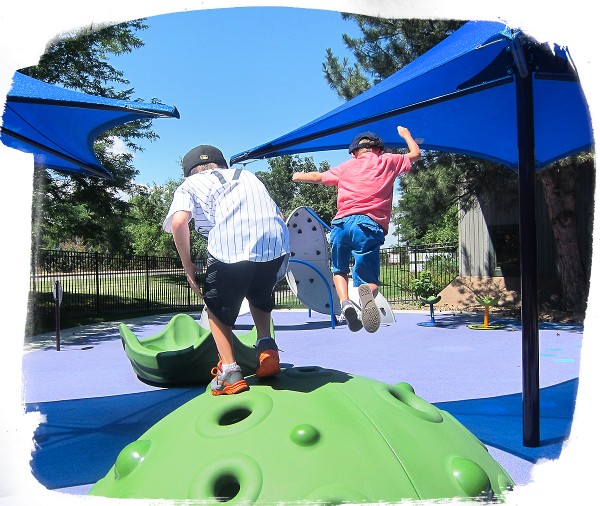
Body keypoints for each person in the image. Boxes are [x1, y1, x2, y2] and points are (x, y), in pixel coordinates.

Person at [163, 145, 290, 395]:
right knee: (259, 296)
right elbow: (278, 213)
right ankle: (267, 350)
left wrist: (188, 267)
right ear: (222, 164)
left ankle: (229, 371)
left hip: (231, 242)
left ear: (189, 171)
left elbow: (179, 222)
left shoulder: (189, 185)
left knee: (216, 308)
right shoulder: (247, 175)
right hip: (275, 243)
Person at [292, 126, 421, 333]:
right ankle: (366, 293)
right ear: (378, 148)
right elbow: (415, 154)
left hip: (341, 224)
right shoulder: (388, 160)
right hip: (368, 224)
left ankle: (345, 304)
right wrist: (406, 134)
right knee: (370, 282)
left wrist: (299, 176)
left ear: (354, 153)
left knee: (339, 269)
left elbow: (318, 177)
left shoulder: (346, 167)